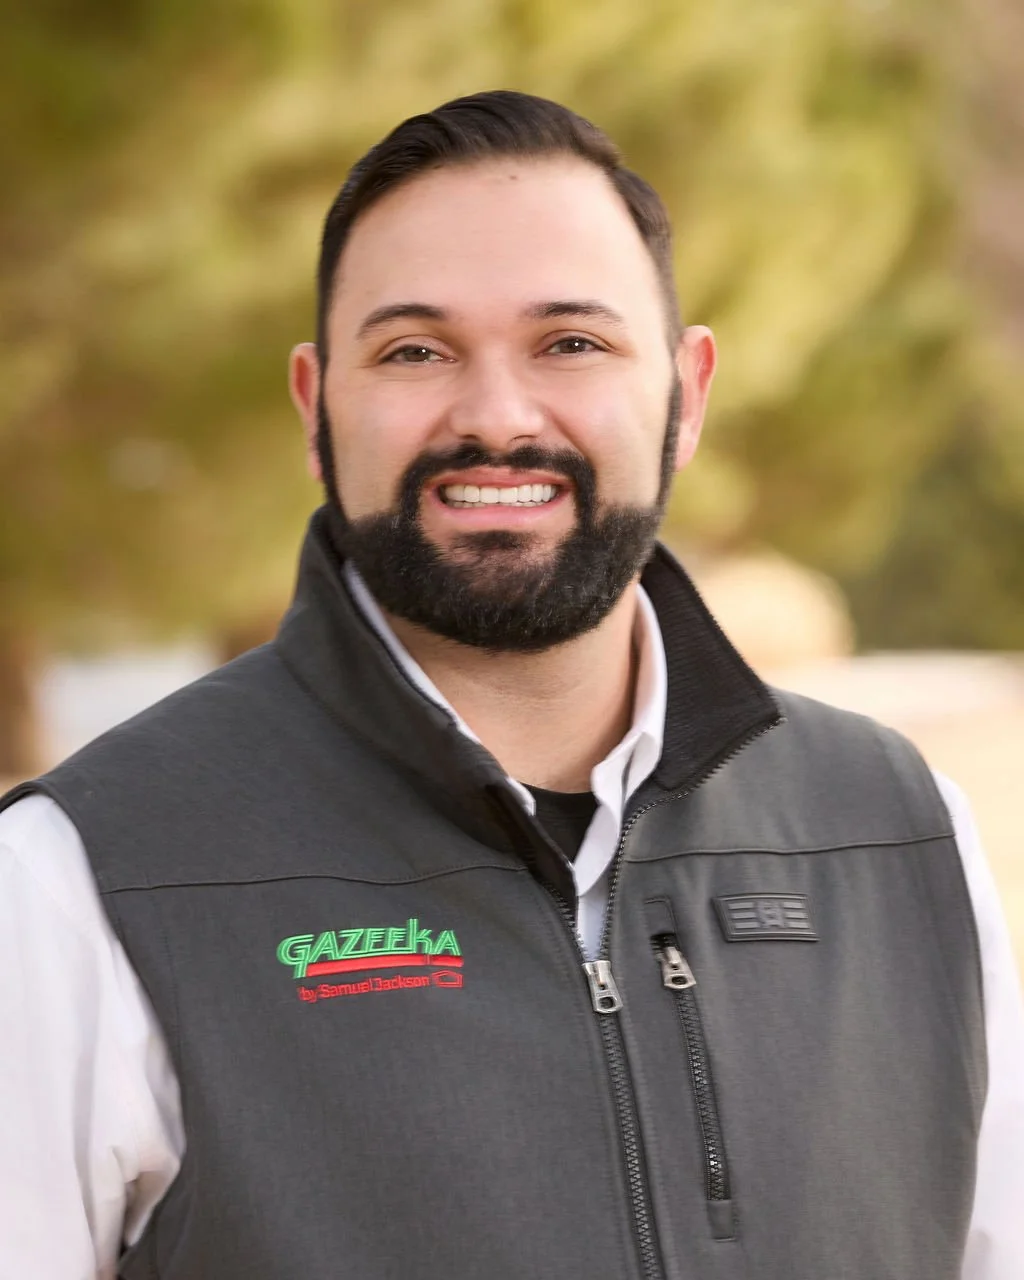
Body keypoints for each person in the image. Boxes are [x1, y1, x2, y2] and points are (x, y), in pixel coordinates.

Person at [1, 90, 1021, 1280]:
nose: (494, 417)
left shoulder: (901, 836)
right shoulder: (81, 877)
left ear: (686, 395)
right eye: (414, 350)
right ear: (315, 406)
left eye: (571, 343)